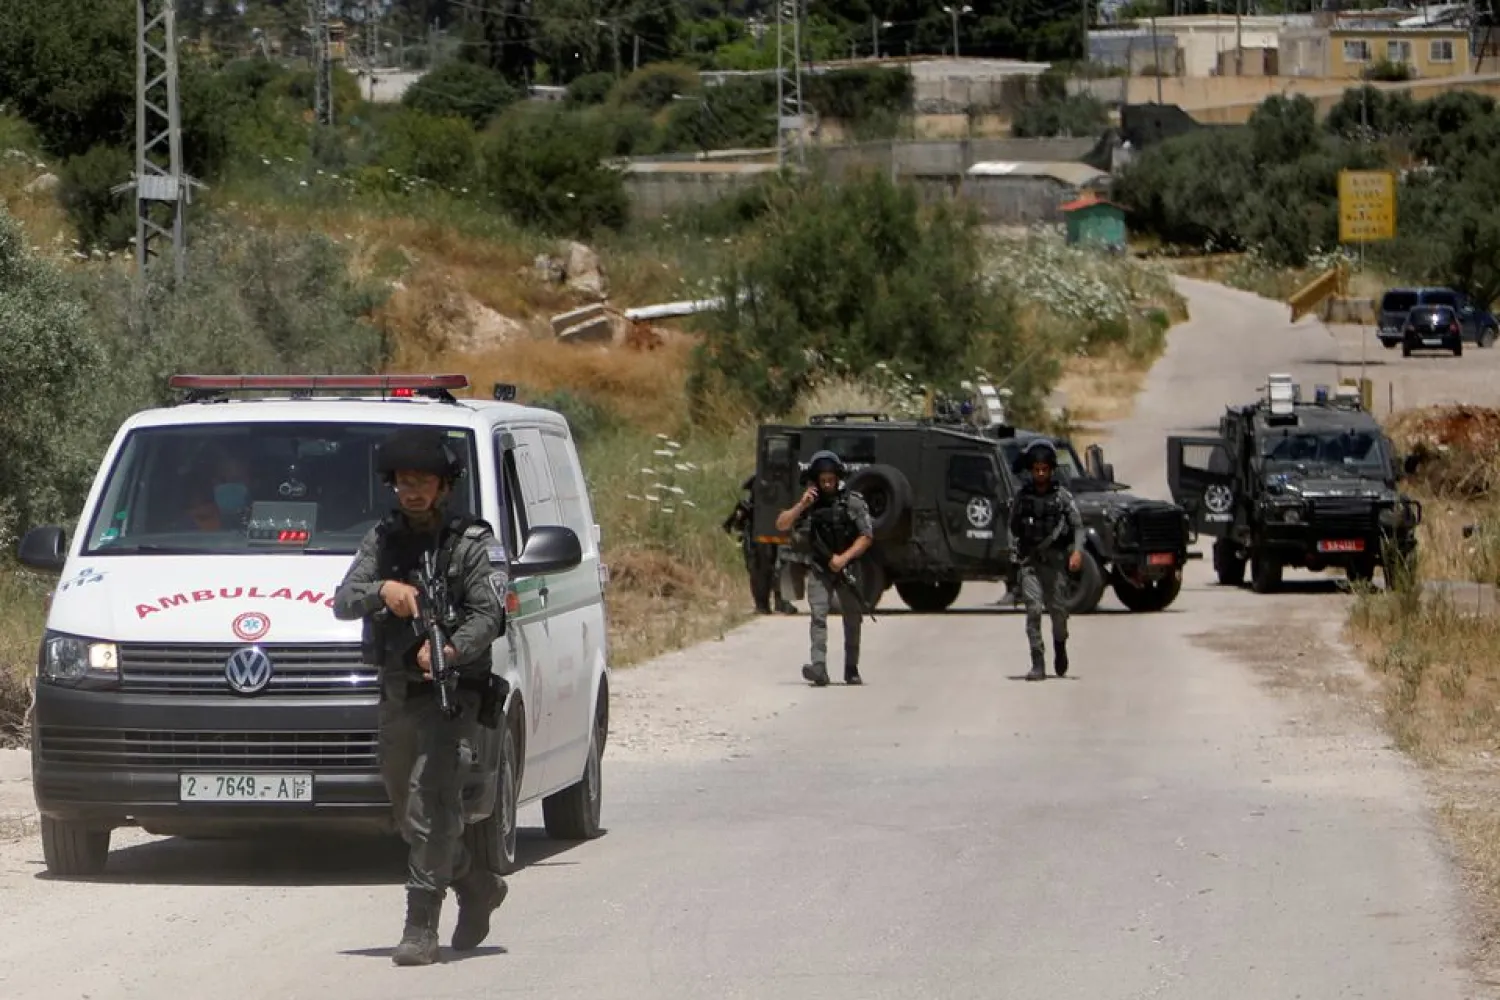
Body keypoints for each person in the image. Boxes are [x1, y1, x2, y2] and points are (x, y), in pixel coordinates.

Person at [332, 427, 510, 967]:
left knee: (433, 803)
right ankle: (476, 882)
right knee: (408, 814)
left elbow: (491, 614)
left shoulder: (472, 542)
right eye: (404, 481)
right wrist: (385, 592)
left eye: (423, 481)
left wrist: (451, 650)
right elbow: (342, 601)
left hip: (453, 695)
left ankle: (419, 926)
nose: (413, 491)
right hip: (397, 692)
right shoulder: (381, 541)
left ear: (443, 485)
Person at [774, 450, 874, 687]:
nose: (827, 484)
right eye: (823, 480)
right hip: (820, 568)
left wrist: (843, 558)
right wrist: (801, 504)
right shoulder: (810, 504)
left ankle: (851, 668)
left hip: (848, 567)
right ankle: (819, 667)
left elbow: (866, 536)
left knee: (852, 618)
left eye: (831, 479)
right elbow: (781, 524)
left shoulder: (852, 501)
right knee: (818, 617)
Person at [1008, 439, 1085, 681]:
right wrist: (1013, 553)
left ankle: (1060, 646)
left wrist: (1077, 552)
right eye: (1036, 469)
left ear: (1051, 470)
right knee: (1033, 611)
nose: (1040, 474)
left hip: (1055, 563)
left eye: (1044, 469)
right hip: (1030, 562)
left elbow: (1078, 527)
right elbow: (1012, 527)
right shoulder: (1022, 498)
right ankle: (1037, 662)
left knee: (1058, 613)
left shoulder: (1062, 497)